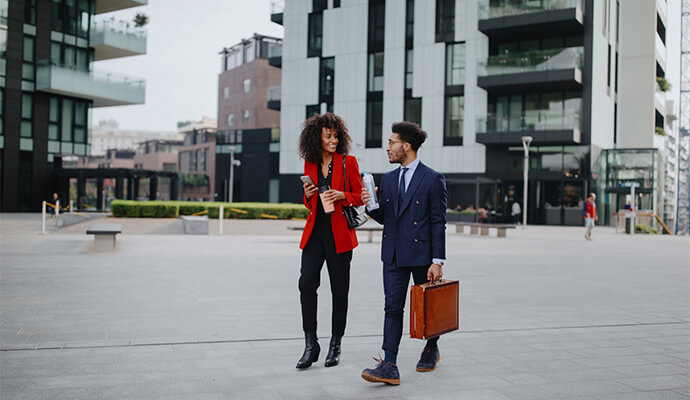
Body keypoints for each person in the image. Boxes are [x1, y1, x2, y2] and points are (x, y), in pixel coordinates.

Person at [360, 121, 447, 386]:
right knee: (392, 308)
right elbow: (387, 218)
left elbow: (437, 221)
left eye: (391, 142)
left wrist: (437, 261)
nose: (387, 148)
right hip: (394, 254)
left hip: (422, 254)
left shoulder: (433, 178)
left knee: (427, 308)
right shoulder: (389, 178)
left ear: (405, 146)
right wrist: (370, 205)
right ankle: (389, 364)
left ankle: (431, 347)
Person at [296, 113, 364, 369]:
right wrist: (308, 193)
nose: (334, 140)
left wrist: (341, 194)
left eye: (336, 135)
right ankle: (310, 344)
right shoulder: (310, 164)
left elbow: (359, 197)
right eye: (328, 136)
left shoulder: (348, 162)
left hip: (339, 237)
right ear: (317, 138)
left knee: (339, 291)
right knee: (306, 284)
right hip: (315, 234)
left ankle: (336, 343)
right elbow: (309, 204)